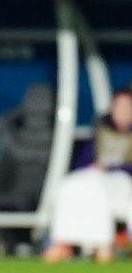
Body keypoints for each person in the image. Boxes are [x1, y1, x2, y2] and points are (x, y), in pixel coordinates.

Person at [44, 89, 132, 263]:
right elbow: (83, 160)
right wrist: (95, 167)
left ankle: (102, 245)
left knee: (98, 190)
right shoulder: (100, 130)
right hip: (94, 176)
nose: (123, 111)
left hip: (122, 181)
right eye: (119, 106)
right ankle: (62, 242)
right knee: (69, 185)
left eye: (127, 107)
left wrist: (113, 167)